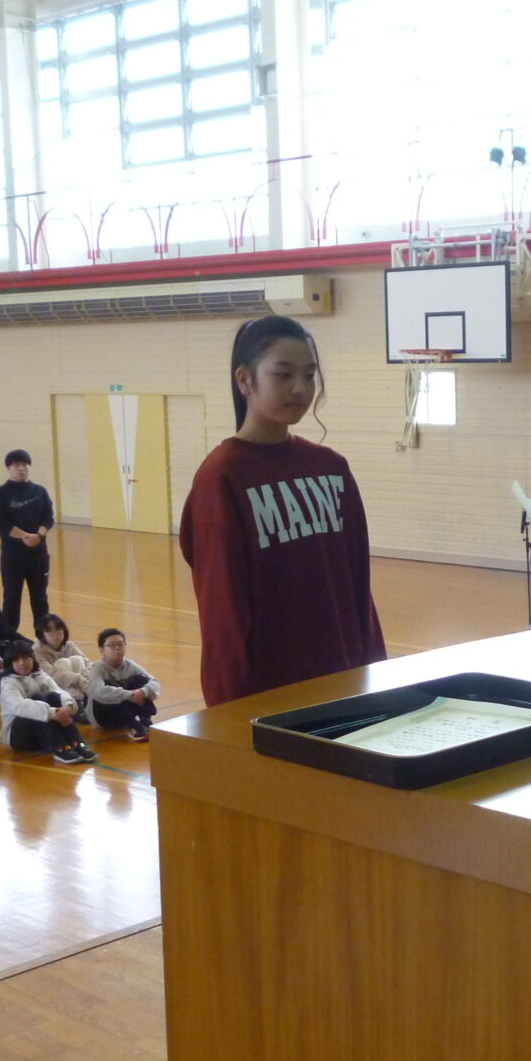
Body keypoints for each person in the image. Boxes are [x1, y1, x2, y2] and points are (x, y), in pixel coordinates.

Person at [178, 315, 386, 709]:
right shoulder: (221, 477)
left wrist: (374, 676)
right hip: (271, 702)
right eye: (283, 374)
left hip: (342, 688)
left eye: (309, 375)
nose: (300, 388)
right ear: (245, 381)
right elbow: (223, 614)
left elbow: (358, 586)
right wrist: (231, 717)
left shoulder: (331, 468)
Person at [0, 449, 55, 635]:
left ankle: (43, 638)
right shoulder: (0, 493)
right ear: (9, 468)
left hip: (38, 556)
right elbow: (1, 522)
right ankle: (9, 637)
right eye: (17, 465)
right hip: (13, 558)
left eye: (25, 465)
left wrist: (39, 536)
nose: (22, 469)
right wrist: (26, 536)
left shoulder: (40, 491)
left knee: (40, 599)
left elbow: (48, 518)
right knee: (11, 598)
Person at [0, 641, 95, 764]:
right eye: (16, 660)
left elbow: (58, 691)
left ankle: (77, 743)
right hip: (19, 736)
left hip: (42, 730)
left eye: (25, 658)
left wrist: (68, 707)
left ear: (32, 658)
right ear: (9, 664)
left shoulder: (39, 674)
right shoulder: (8, 683)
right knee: (37, 699)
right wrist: (53, 713)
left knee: (53, 696)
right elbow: (20, 707)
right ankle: (59, 747)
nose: (22, 663)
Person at [85, 629, 159, 742]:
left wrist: (142, 692)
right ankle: (134, 725)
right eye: (111, 645)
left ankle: (145, 722)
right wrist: (129, 695)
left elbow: (154, 682)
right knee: (110, 686)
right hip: (103, 717)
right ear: (102, 650)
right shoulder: (97, 669)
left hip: (124, 712)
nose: (117, 648)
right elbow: (99, 692)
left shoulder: (130, 665)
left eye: (120, 644)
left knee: (141, 680)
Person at [33, 614, 93, 712]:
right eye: (49, 630)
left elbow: (87, 662)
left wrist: (86, 680)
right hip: (52, 688)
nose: (55, 633)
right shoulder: (37, 651)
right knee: (63, 663)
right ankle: (76, 703)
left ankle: (87, 699)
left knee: (77, 659)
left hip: (80, 684)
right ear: (41, 635)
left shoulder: (69, 645)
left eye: (58, 628)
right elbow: (52, 674)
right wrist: (78, 679)